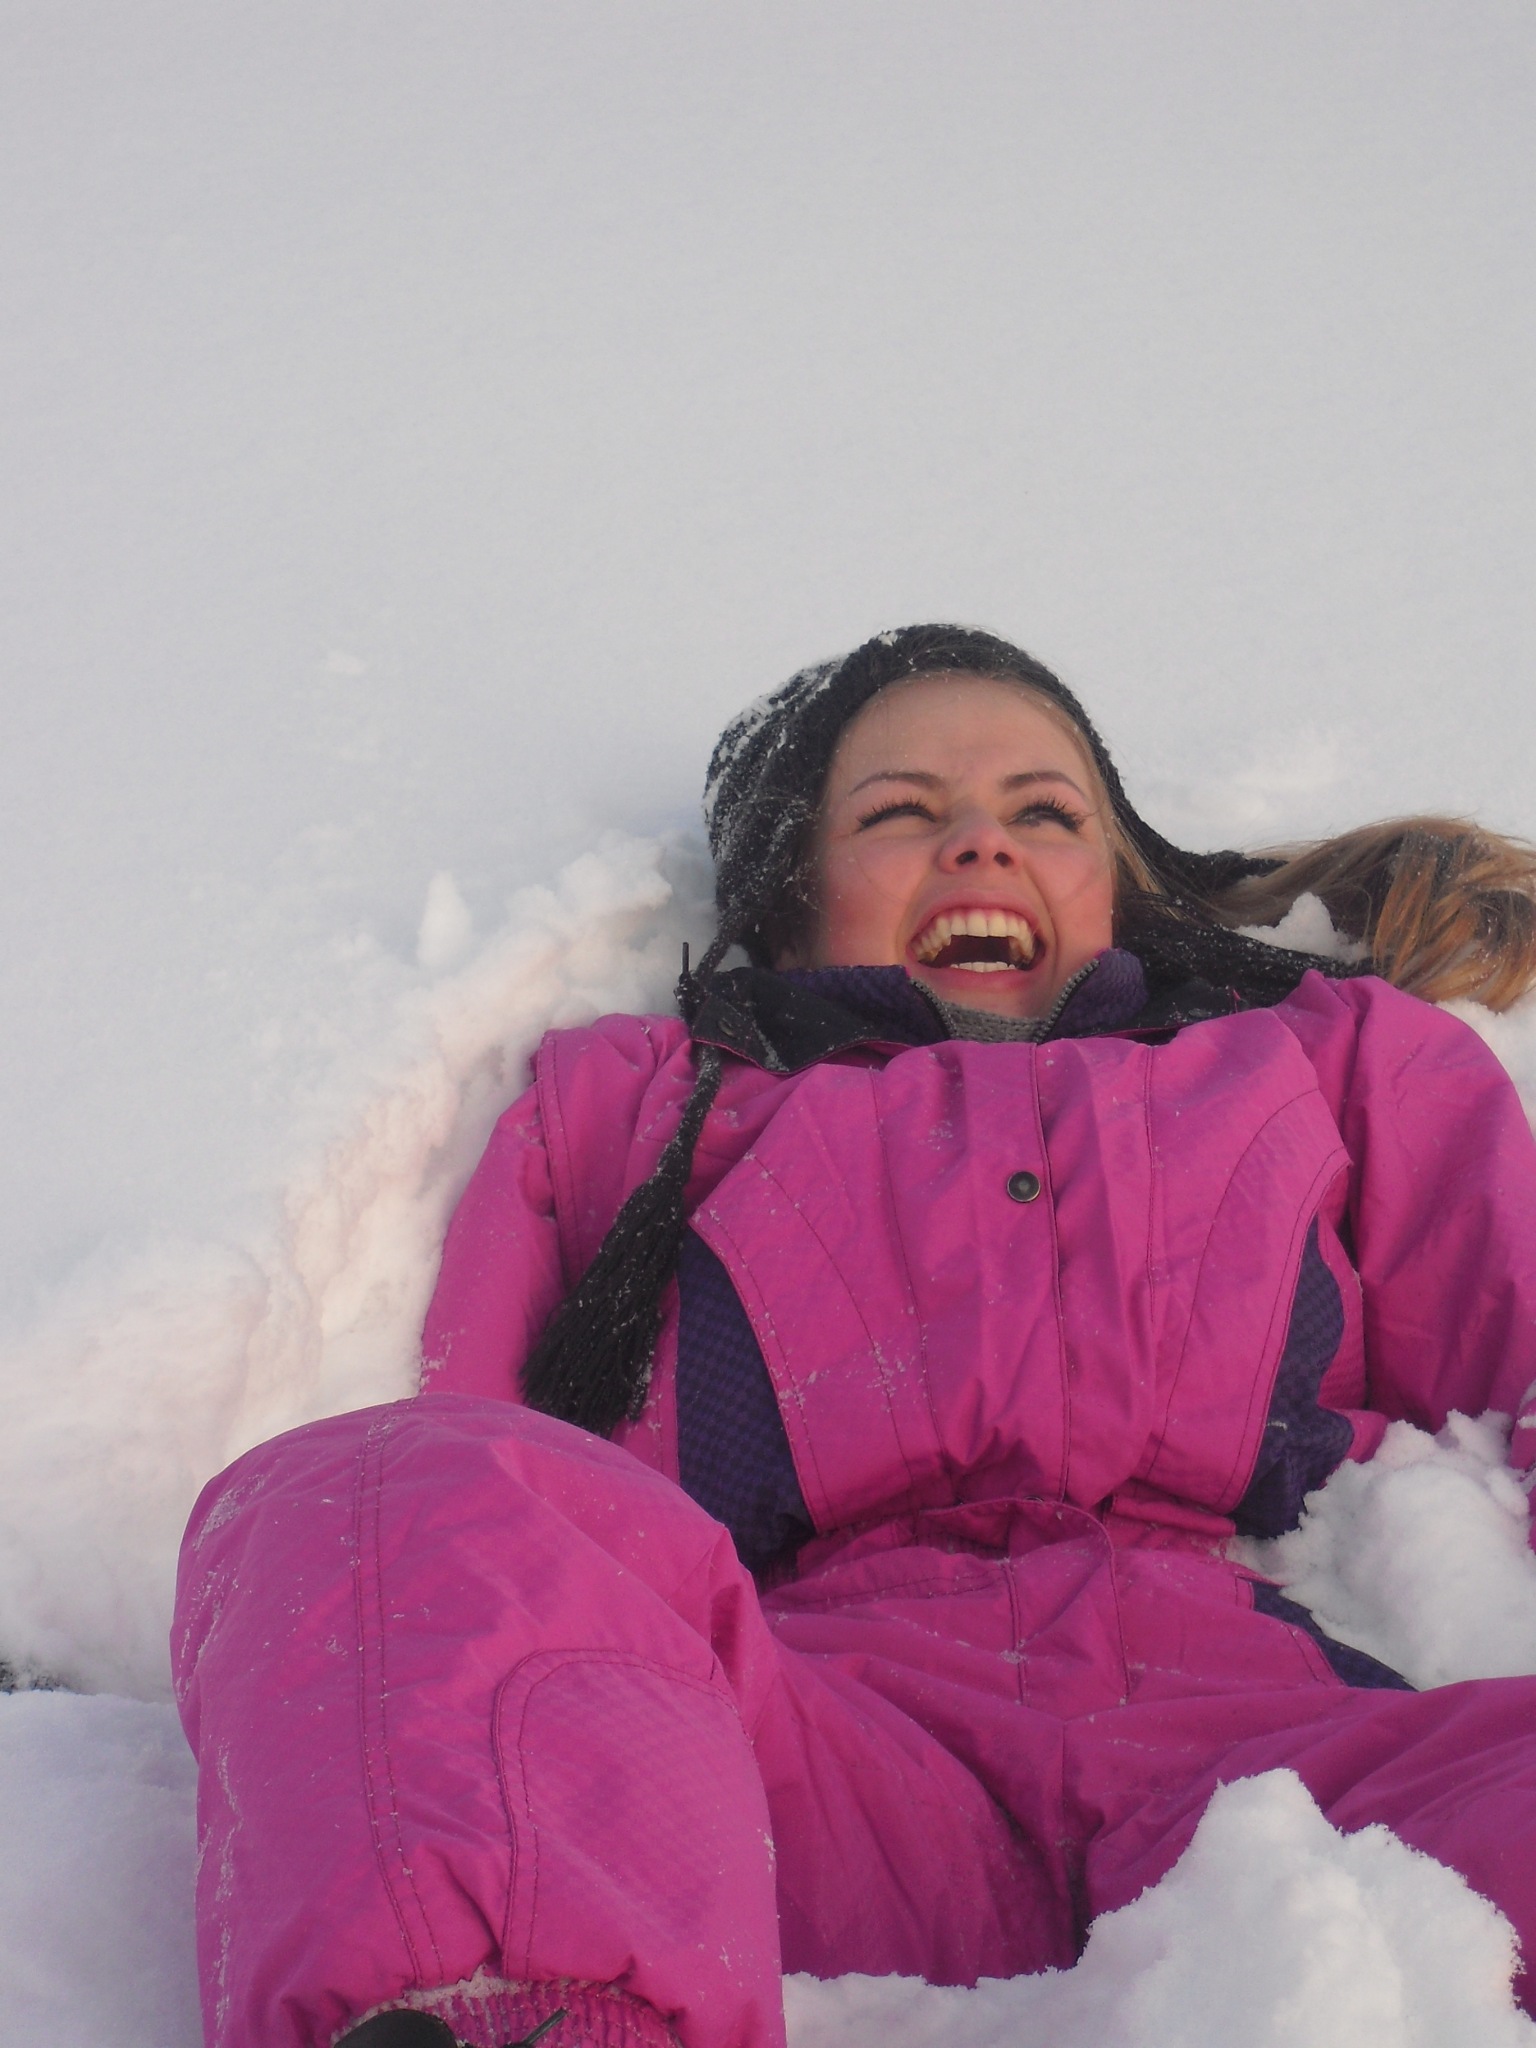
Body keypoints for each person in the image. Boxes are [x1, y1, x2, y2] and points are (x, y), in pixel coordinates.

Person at [173, 625, 1536, 2048]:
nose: (981, 843)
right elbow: (490, 1489)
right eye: (899, 812)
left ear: (1117, 888)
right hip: (791, 1779)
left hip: (1286, 1786)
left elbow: (1514, 1360)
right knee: (369, 1490)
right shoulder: (634, 1104)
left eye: (1045, 813)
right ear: (789, 899)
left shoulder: (1317, 1058)